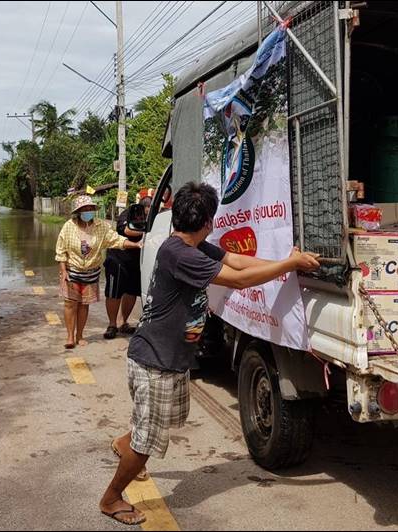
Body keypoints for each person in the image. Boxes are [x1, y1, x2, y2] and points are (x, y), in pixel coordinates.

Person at [98, 182, 320, 525]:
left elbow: (237, 260)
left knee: (165, 421)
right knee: (147, 442)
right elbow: (239, 280)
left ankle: (123, 443)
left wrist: (285, 262)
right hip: (153, 360)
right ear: (208, 222)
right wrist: (289, 265)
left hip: (170, 359)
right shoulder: (182, 255)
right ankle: (111, 498)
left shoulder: (193, 244)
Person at [55, 195, 141, 349]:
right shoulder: (69, 226)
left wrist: (136, 244)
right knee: (70, 303)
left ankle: (79, 335)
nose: (88, 211)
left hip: (91, 272)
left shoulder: (101, 226)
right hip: (72, 270)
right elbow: (61, 250)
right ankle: (69, 337)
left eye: (90, 209)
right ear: (78, 212)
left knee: (84, 305)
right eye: (84, 209)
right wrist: (63, 271)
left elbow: (116, 240)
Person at [103, 196, 152, 340]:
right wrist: (147, 232)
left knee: (131, 292)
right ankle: (112, 325)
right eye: (147, 212)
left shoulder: (154, 216)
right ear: (142, 208)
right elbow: (126, 231)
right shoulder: (129, 212)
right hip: (118, 258)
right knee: (114, 292)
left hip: (136, 260)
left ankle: (123, 322)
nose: (148, 216)